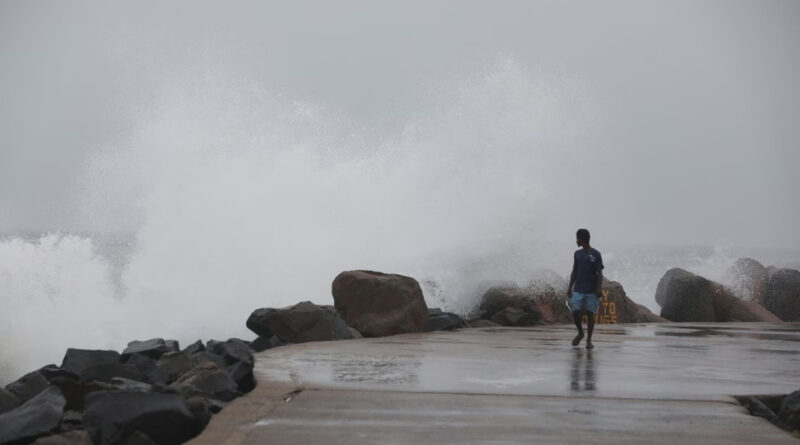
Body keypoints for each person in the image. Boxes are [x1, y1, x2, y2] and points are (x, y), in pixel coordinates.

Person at [566, 228, 603, 349]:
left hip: (591, 290)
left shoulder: (596, 254)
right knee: (575, 310)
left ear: (582, 239)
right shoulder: (577, 254)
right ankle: (580, 332)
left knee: (590, 314)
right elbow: (574, 271)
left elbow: (599, 273)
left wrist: (599, 288)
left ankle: (589, 340)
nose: (576, 241)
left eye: (577, 238)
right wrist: (569, 287)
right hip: (578, 288)